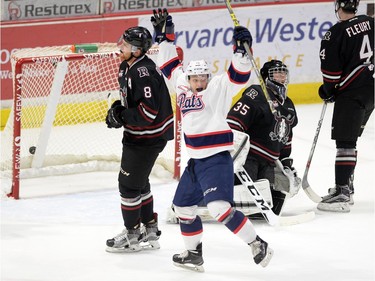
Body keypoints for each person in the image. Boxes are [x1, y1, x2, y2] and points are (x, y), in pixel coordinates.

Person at [151, 8, 273, 272]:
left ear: (208, 77)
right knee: (183, 208)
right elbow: (168, 65)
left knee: (219, 207)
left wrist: (241, 50)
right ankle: (193, 254)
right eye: (195, 78)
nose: (198, 81)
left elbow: (238, 75)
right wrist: (165, 38)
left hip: (216, 160)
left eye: (202, 77)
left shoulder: (218, 87)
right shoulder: (182, 83)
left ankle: (257, 243)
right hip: (194, 163)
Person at [105, 26, 174, 252]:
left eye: (125, 44)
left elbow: (148, 113)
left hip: (147, 137)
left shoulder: (142, 72)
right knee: (140, 181)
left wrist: (122, 116)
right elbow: (133, 104)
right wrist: (119, 110)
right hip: (139, 135)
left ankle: (132, 233)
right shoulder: (127, 66)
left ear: (136, 50)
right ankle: (150, 228)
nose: (120, 46)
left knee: (128, 185)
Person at [317, 0, 374, 212]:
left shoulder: (336, 33)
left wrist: (328, 90)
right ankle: (347, 185)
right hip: (371, 91)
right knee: (350, 140)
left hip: (351, 93)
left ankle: (342, 192)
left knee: (345, 142)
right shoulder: (371, 22)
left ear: (338, 6)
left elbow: (331, 72)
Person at [226, 60, 300, 217]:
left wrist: (286, 160)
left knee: (270, 197)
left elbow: (287, 134)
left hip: (270, 161)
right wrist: (234, 151)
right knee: (243, 195)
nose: (281, 76)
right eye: (276, 72)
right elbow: (234, 121)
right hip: (249, 157)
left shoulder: (288, 104)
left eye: (283, 72)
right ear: (266, 76)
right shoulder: (256, 93)